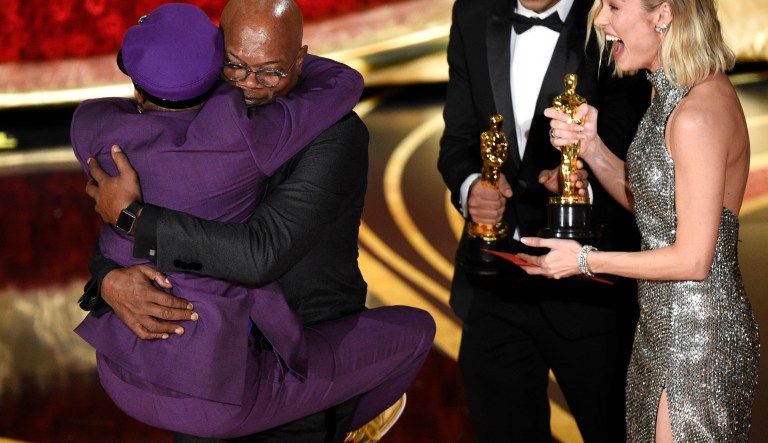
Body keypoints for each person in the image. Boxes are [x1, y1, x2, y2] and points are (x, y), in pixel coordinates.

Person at [72, 2, 435, 441]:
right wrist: (110, 279)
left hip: (295, 358)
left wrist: (134, 219)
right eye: (234, 66)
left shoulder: (335, 134)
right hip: (197, 362)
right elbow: (114, 227)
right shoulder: (191, 119)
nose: (249, 85)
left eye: (271, 72)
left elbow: (258, 253)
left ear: (299, 60)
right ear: (214, 56)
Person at [517, 0, 760, 441]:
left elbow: (692, 259)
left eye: (613, 6)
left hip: (696, 344)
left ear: (663, 14)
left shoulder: (696, 116)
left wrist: (585, 260)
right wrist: (590, 146)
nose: (602, 21)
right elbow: (655, 204)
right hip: (660, 329)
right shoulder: (670, 94)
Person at [437, 0, 651, 441]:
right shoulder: (472, 13)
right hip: (495, 278)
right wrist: (472, 187)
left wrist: (581, 191)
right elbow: (457, 138)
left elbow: (638, 148)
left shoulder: (614, 14)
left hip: (592, 287)